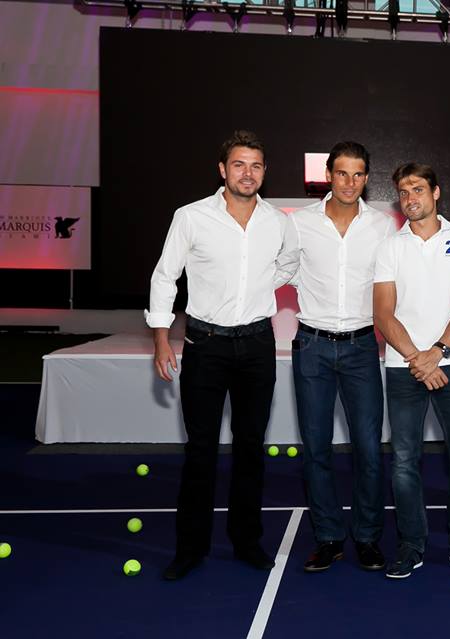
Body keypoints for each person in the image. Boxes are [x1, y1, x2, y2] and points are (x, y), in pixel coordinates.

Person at [147, 130, 292, 580]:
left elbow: (289, 264)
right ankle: (191, 548)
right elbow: (165, 276)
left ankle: (246, 542)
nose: (247, 173)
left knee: (251, 448)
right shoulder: (190, 217)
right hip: (204, 345)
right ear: (222, 169)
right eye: (239, 164)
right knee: (201, 450)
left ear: (264, 172)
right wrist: (160, 337)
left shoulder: (277, 221)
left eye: (256, 165)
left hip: (256, 346)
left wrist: (255, 289)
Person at [372, 162, 450, 580]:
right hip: (404, 368)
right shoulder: (390, 247)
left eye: (418, 189)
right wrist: (417, 360)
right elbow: (383, 315)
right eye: (404, 192)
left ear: (436, 192)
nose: (411, 198)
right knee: (405, 462)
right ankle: (411, 545)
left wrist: (438, 352)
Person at [280, 141, 396, 573]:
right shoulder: (299, 224)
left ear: (367, 178)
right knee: (316, 448)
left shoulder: (383, 227)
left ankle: (367, 538)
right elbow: (277, 271)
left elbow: (396, 284)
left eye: (358, 174)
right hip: (311, 346)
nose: (349, 182)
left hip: (363, 346)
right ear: (328, 175)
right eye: (342, 173)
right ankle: (328, 537)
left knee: (368, 448)